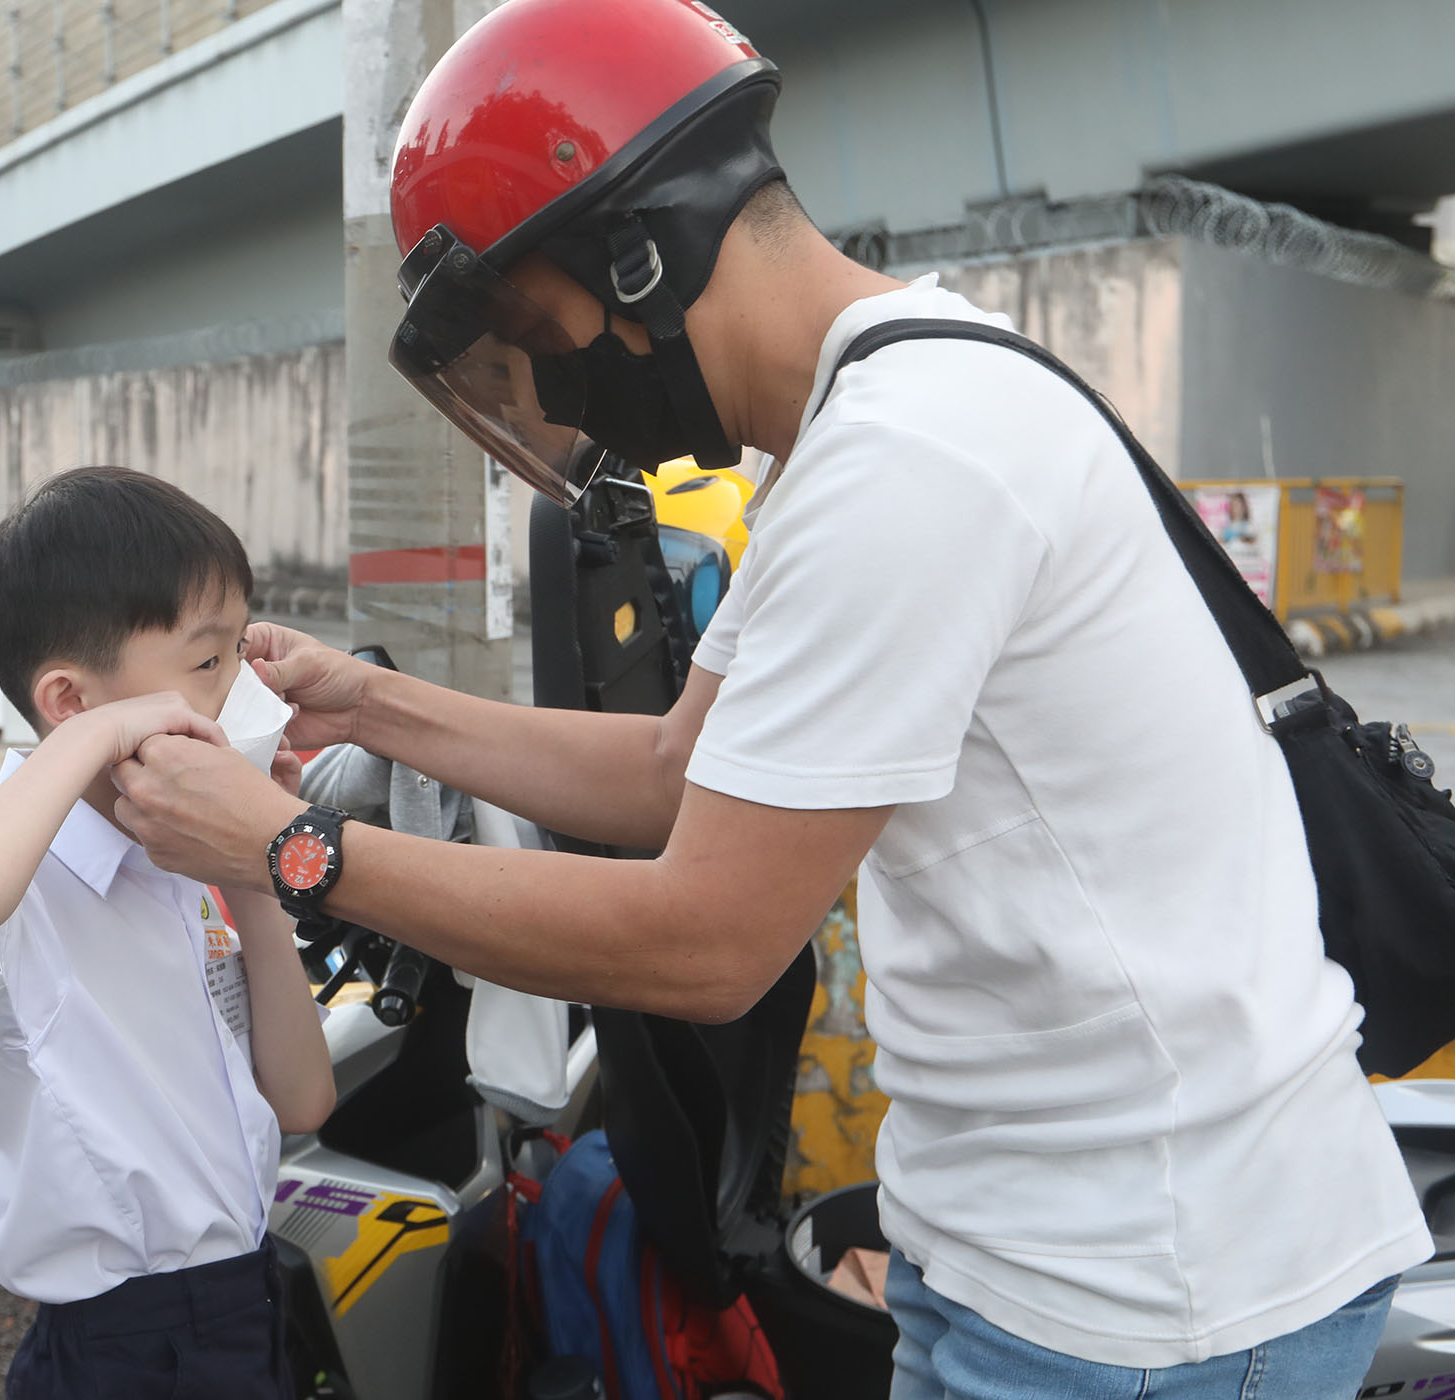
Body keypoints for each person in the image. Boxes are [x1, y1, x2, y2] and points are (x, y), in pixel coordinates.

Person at [110, 1, 1430, 1396]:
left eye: (531, 329)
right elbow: (684, 767)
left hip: (1152, 1302)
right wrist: (373, 708)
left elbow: (706, 938)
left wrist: (285, 852)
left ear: (642, 250)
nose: (549, 385)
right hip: (1056, 1259)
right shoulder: (872, 414)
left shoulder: (907, 465)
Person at [0, 467, 334, 1400]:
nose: (243, 690)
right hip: (126, 1346)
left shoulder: (190, 868)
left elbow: (302, 1102)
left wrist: (255, 872)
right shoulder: (19, 882)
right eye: (208, 661)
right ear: (72, 701)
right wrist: (95, 743)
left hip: (243, 1302)